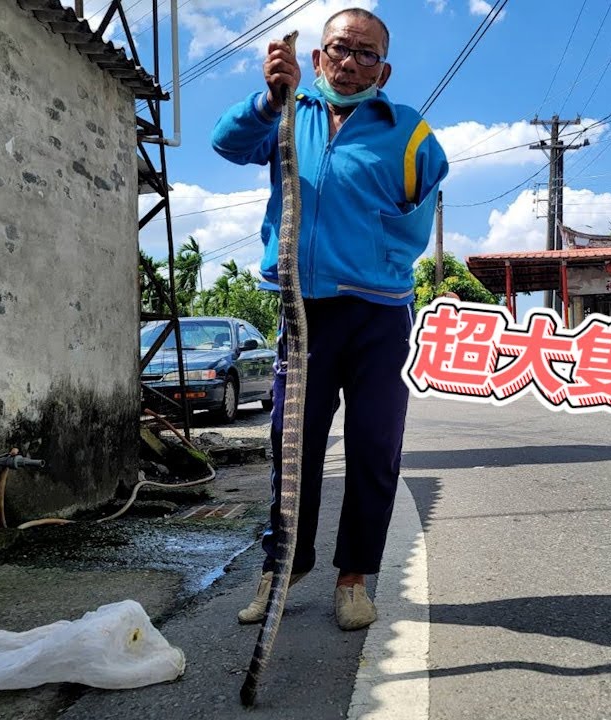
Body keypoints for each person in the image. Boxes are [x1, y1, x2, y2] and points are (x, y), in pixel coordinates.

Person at [211, 8, 448, 631]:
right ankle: (282, 567)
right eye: (340, 49)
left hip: (379, 314)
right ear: (318, 57)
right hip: (303, 310)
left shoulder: (408, 132)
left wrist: (379, 254)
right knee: (293, 446)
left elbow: (419, 211)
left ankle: (353, 578)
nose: (351, 62)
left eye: (367, 54)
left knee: (374, 446)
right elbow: (226, 144)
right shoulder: (288, 112)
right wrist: (268, 98)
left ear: (384, 68)